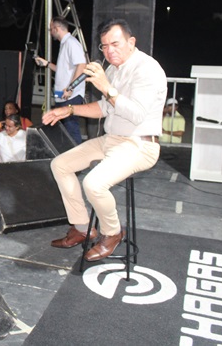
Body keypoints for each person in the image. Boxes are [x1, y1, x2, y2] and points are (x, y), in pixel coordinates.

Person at [42, 18, 167, 261]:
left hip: (139, 144)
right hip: (112, 138)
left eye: (115, 44)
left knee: (93, 184)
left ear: (131, 42)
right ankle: (81, 228)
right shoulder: (113, 69)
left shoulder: (147, 69)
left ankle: (113, 233)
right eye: (105, 46)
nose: (110, 51)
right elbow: (105, 107)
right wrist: (68, 110)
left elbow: (136, 113)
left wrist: (107, 87)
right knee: (60, 164)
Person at [35, 16, 87, 144]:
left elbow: (82, 65)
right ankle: (69, 156)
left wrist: (71, 87)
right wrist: (46, 63)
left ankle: (77, 158)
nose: (50, 32)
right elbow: (63, 70)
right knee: (65, 130)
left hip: (70, 95)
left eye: (50, 29)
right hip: (63, 95)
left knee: (71, 128)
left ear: (56, 28)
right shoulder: (65, 44)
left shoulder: (71, 43)